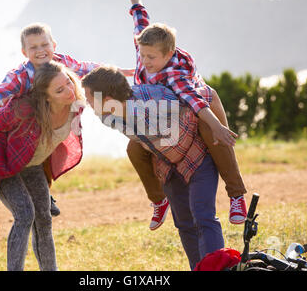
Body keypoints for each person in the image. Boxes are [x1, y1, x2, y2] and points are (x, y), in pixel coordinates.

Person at [0, 22, 127, 237]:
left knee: (46, 156)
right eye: (33, 48)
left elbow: (86, 68)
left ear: (54, 45)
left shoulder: (62, 62)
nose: (40, 50)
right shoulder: (20, 75)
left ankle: (44, 195)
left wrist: (119, 71)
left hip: (42, 125)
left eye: (44, 44)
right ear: (25, 52)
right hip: (13, 125)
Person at [121, 0, 248, 230]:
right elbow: (140, 21)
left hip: (200, 104)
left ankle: (236, 195)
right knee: (133, 150)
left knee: (213, 135)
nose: (145, 60)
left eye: (151, 58)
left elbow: (195, 102)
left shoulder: (174, 73)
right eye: (142, 54)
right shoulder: (146, 49)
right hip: (167, 113)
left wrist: (218, 127)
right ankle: (159, 201)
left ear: (168, 55)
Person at [82, 66, 225, 269]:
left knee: (203, 216)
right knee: (184, 223)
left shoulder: (154, 101)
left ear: (106, 100)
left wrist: (212, 127)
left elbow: (199, 97)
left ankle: (218, 267)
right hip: (167, 163)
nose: (86, 103)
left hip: (196, 154)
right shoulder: (106, 116)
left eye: (89, 99)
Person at [0, 61, 84, 271]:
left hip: (32, 165)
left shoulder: (75, 103)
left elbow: (93, 75)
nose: (69, 91)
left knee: (44, 219)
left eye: (68, 82)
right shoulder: (24, 108)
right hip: (3, 163)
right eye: (60, 90)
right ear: (46, 97)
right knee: (25, 215)